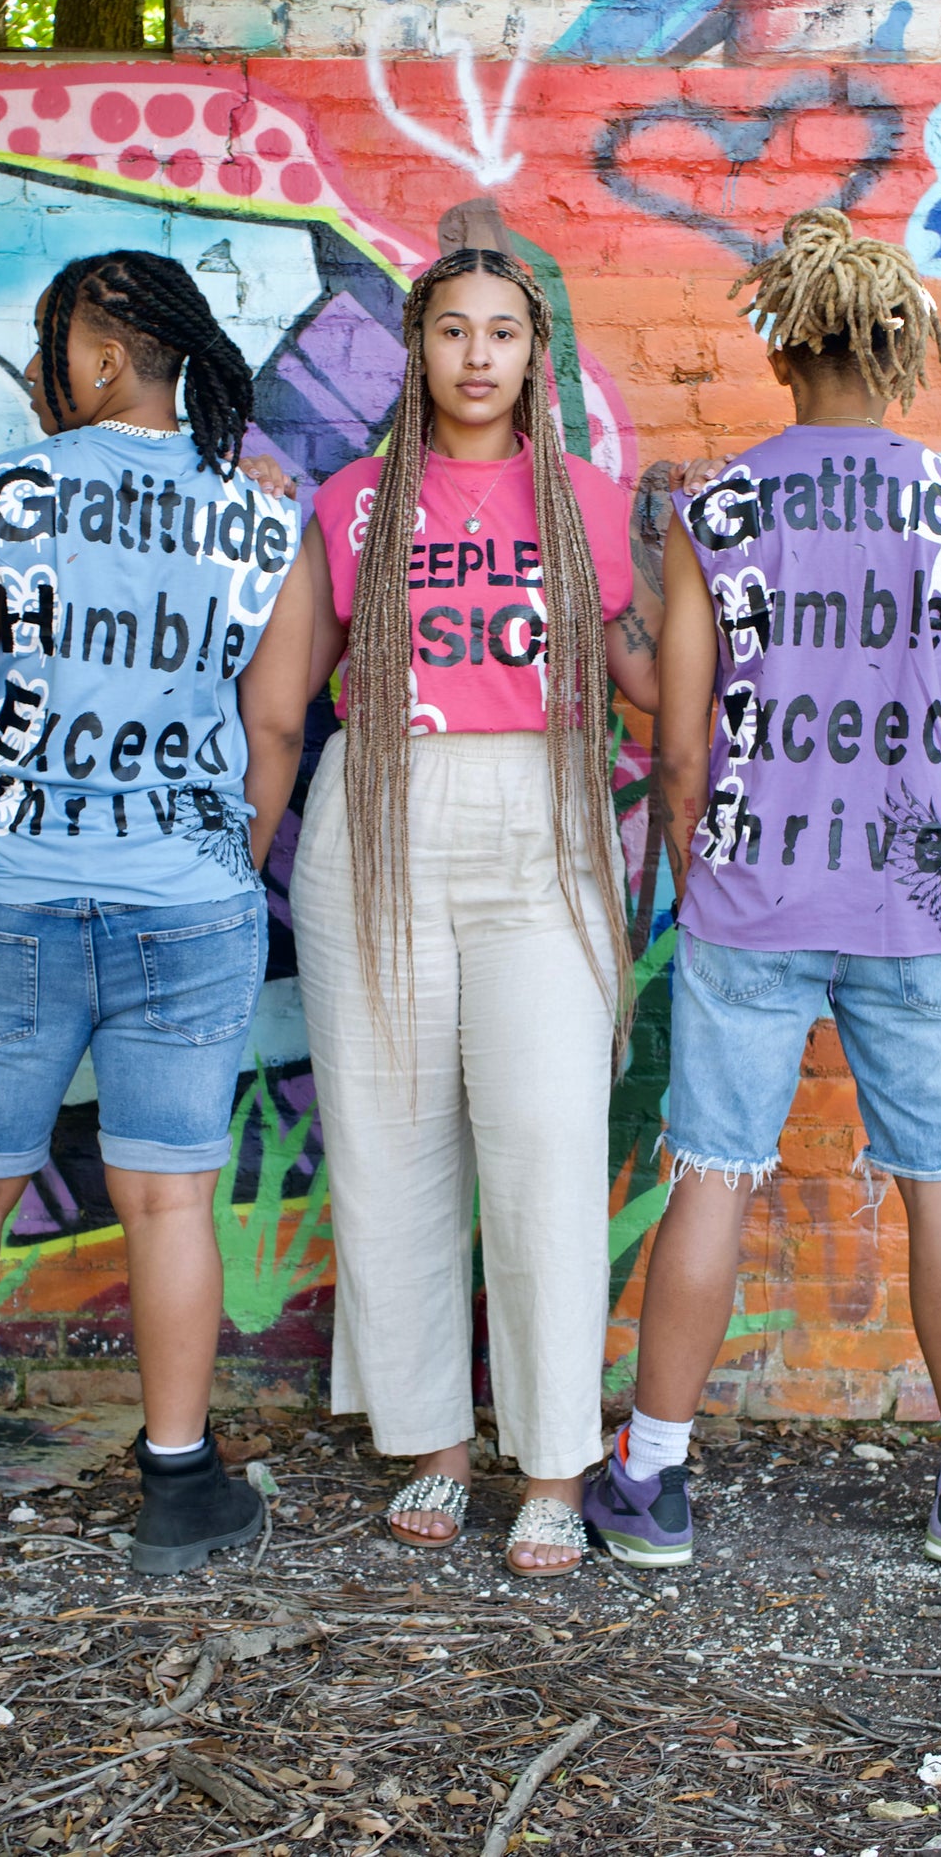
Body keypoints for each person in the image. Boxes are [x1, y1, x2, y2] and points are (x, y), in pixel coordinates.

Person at [0, 250, 312, 1574]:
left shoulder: (10, 495)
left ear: (98, 357)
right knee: (169, 1201)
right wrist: (227, 856)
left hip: (12, 897)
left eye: (58, 347)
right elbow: (276, 721)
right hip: (192, 900)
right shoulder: (267, 515)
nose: (49, 371)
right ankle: (179, 1487)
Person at [583, 207, 941, 1570]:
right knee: (940, 1182)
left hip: (749, 892)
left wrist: (696, 860)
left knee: (711, 1174)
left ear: (780, 350)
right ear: (897, 354)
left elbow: (682, 740)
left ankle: (653, 1480)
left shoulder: (715, 513)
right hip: (912, 897)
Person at [272, 244, 660, 1577]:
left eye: (503, 332)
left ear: (533, 354)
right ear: (416, 348)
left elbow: (649, 686)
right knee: (391, 1138)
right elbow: (286, 699)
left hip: (542, 823)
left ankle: (553, 1461)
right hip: (377, 815)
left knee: (547, 1135)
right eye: (453, 331)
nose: (478, 355)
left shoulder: (591, 506)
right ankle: (434, 1444)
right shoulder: (353, 503)